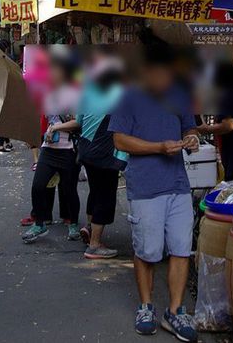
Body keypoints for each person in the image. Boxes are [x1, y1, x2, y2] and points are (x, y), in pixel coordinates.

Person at [110, 42, 199, 342]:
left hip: (178, 184)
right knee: (147, 251)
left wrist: (191, 139)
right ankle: (146, 306)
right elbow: (120, 141)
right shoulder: (129, 96)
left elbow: (191, 128)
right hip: (145, 186)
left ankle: (174, 311)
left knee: (180, 248)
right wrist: (158, 147)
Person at [51, 53, 125, 259]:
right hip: (104, 153)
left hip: (86, 151)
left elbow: (79, 122)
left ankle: (90, 229)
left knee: (95, 191)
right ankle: (94, 245)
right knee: (105, 196)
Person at [22, 56, 81, 243]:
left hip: (68, 149)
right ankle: (39, 223)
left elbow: (78, 122)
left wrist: (56, 128)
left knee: (69, 190)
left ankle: (73, 224)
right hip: (49, 149)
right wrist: (37, 135)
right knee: (38, 185)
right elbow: (45, 120)